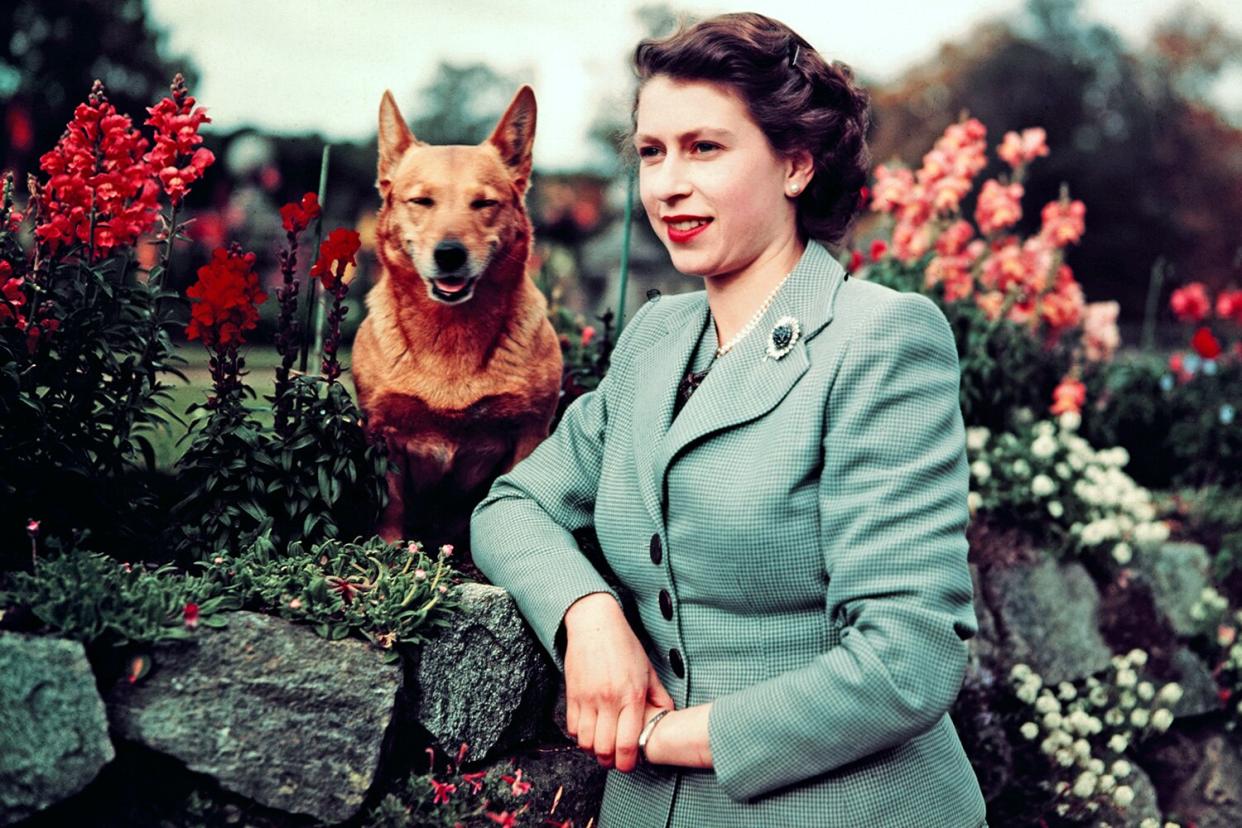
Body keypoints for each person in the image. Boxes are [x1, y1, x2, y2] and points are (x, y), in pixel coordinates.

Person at [470, 12, 988, 827]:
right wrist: (589, 614)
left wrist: (671, 735)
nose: (668, 183)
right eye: (651, 152)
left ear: (794, 163)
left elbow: (908, 659)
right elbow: (514, 507)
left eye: (705, 148)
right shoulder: (655, 338)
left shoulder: (880, 338)